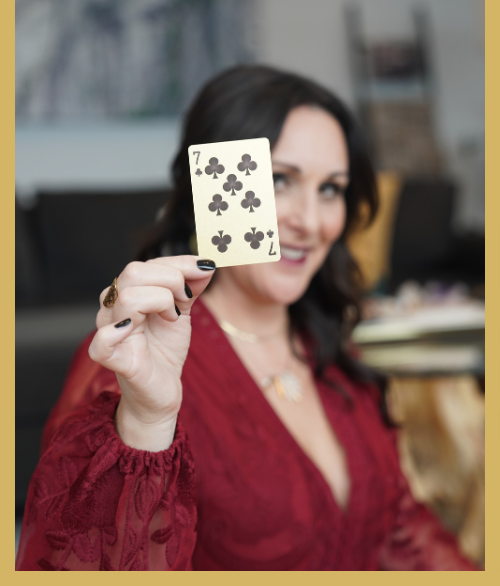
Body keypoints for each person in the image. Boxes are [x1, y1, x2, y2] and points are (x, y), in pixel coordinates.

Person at [16, 66, 478, 570]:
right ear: (211, 186)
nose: (310, 221)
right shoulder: (134, 368)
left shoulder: (331, 345)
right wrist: (147, 422)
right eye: (280, 180)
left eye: (331, 189)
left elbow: (400, 533)